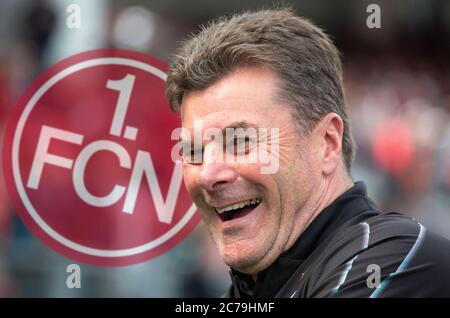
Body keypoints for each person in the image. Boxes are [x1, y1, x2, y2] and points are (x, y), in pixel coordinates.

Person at [165, 8, 450, 297]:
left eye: (240, 142)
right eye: (193, 150)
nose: (208, 174)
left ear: (326, 144)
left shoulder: (393, 265)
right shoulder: (250, 289)